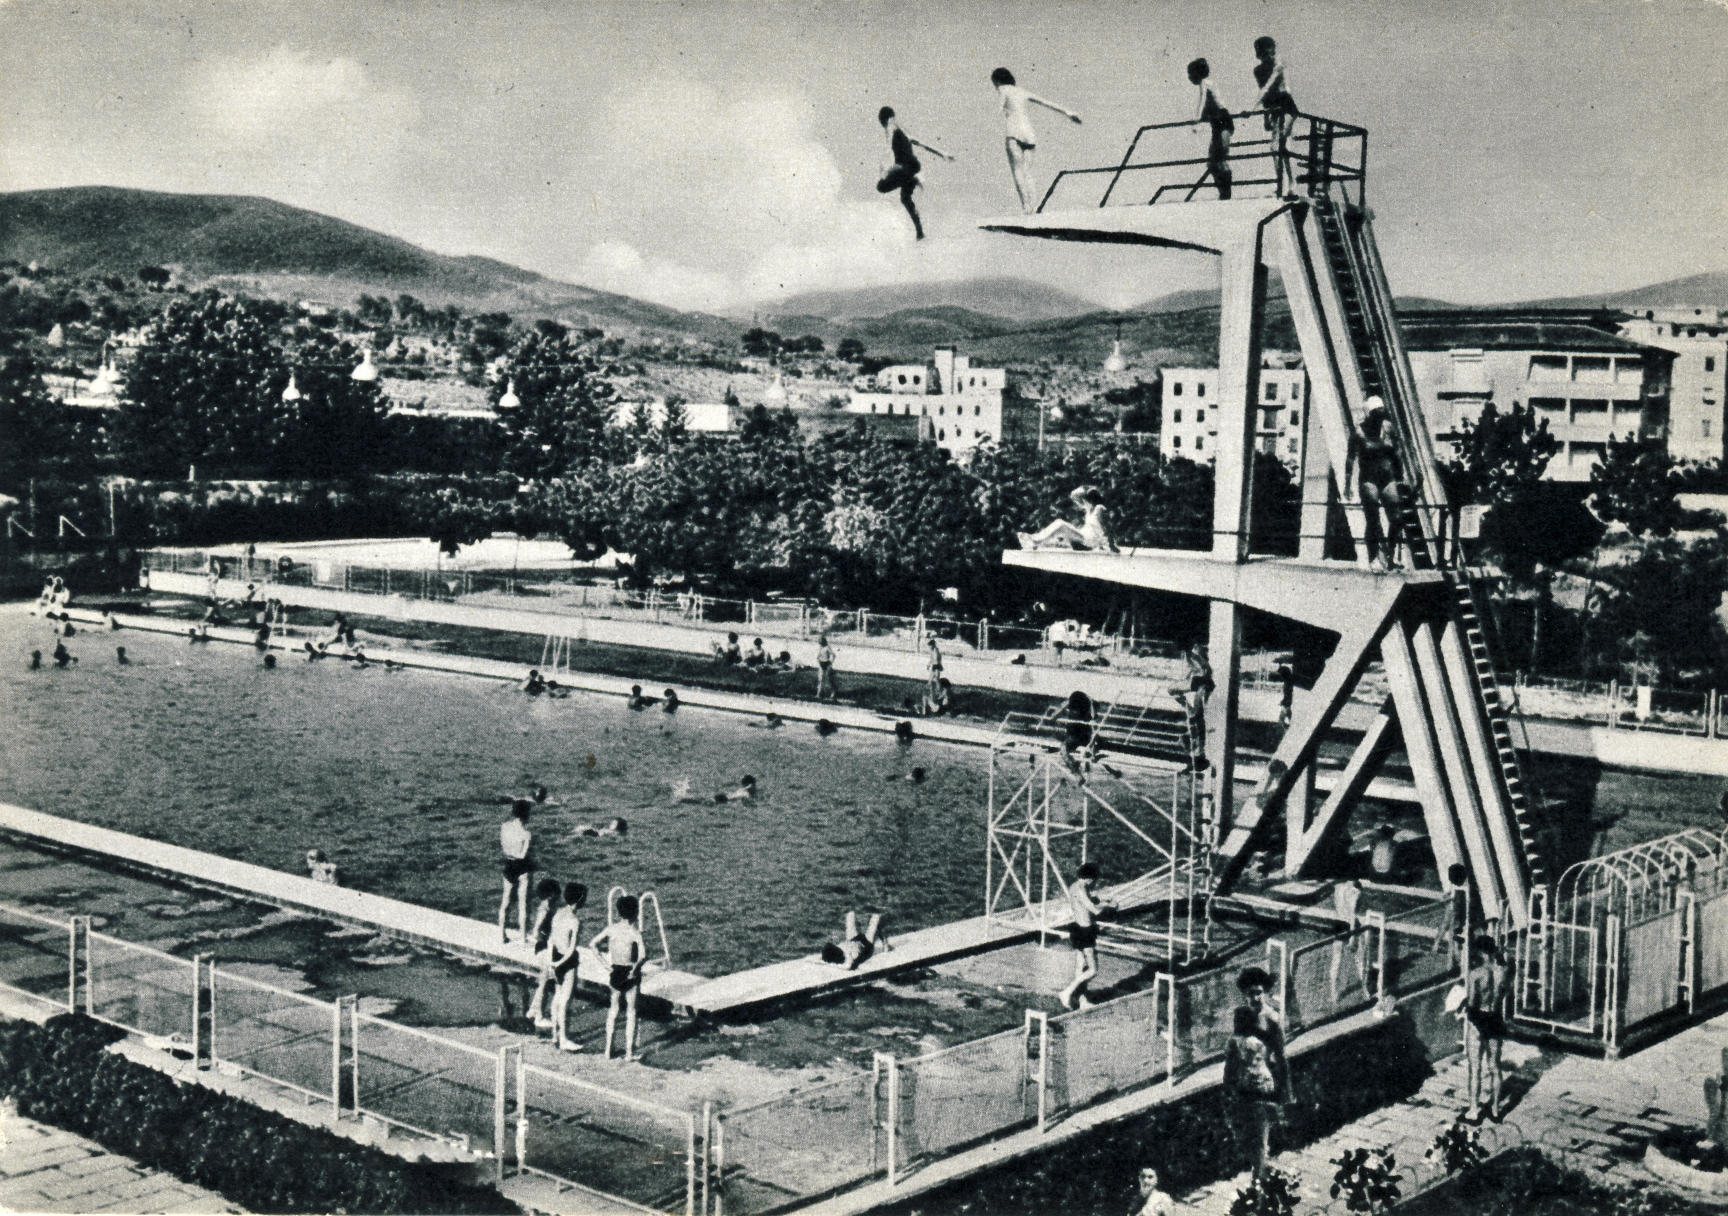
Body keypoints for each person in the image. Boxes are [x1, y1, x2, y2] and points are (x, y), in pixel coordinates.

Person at [991, 67, 1082, 214]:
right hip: (1029, 134)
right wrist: (1068, 112)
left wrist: (997, 113)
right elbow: (1046, 103)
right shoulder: (1022, 91)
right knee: (1027, 172)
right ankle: (1034, 206)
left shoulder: (1003, 89)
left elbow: (1000, 106)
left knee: (1017, 171)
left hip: (1014, 132)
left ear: (997, 80)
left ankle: (1026, 208)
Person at [876, 106, 952, 240]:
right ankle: (920, 233)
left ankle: (913, 179)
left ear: (884, 120)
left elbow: (888, 148)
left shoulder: (890, 127)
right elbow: (923, 144)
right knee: (905, 198)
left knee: (881, 186)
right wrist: (942, 154)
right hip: (914, 167)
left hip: (905, 169)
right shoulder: (905, 131)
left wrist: (884, 169)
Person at [1224, 1004, 1280, 1178]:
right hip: (1265, 1092)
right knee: (1262, 1135)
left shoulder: (1234, 1042)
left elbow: (1229, 1071)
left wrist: (1229, 1089)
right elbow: (1272, 1063)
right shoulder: (1261, 1041)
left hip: (1246, 1095)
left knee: (1252, 1137)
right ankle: (1261, 1168)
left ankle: (1259, 1173)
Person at [591, 895, 648, 1062]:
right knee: (631, 1011)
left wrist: (605, 965)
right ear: (635, 913)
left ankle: (608, 1050)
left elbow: (593, 944)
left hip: (615, 971)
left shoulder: (612, 929)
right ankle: (629, 1053)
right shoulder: (634, 932)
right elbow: (643, 955)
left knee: (613, 1010)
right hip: (630, 972)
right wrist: (635, 969)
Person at [1357, 403, 1410, 571]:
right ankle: (1373, 557)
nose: (1380, 417)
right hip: (1369, 479)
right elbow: (1353, 457)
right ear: (1369, 414)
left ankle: (1390, 554)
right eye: (1376, 413)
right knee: (1373, 519)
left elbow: (1397, 452)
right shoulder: (1360, 431)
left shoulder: (1388, 428)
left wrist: (1400, 476)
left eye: (1382, 413)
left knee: (1397, 518)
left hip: (1387, 478)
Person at [1463, 935, 1509, 1122]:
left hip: (1478, 1018)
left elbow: (1473, 1001)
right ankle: (1496, 1109)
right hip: (1495, 1017)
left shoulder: (1475, 974)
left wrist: (1463, 1005)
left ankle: (1474, 1110)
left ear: (1480, 952)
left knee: (1475, 1069)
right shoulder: (1503, 971)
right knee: (1495, 1066)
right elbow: (1505, 992)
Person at [1058, 862, 1115, 1009]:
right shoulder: (1081, 891)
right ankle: (1066, 992)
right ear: (1090, 879)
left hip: (1078, 929)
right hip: (1085, 931)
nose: (1094, 884)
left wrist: (1103, 900)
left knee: (1080, 967)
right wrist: (1110, 906)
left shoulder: (1076, 886)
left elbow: (1090, 901)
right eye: (1095, 880)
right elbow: (1095, 910)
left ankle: (1082, 1001)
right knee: (1093, 970)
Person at [1252, 37, 1300, 198]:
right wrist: (1266, 115)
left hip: (1286, 106)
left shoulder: (1278, 63)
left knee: (1277, 145)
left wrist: (1252, 108)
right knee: (1278, 147)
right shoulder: (1258, 71)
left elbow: (1278, 86)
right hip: (1274, 108)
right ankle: (1285, 183)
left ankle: (1289, 184)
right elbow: (1264, 91)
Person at [546, 883, 588, 1051]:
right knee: (565, 1000)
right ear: (579, 901)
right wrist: (560, 963)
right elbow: (571, 949)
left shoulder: (557, 914)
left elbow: (551, 940)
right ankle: (564, 1038)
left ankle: (554, 1035)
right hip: (567, 961)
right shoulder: (574, 921)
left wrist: (552, 962)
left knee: (557, 997)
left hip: (555, 956)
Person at [1189, 59, 1234, 200]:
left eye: (1190, 74)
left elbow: (1202, 101)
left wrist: (1196, 119)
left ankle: (1226, 193)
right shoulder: (1207, 84)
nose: (1189, 78)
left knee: (1220, 158)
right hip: (1217, 123)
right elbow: (1208, 106)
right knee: (1212, 161)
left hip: (1223, 121)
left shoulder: (1205, 83)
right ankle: (1223, 192)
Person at [1018, 486, 1114, 552]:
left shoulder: (1099, 508)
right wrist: (1087, 489)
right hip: (1085, 536)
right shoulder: (1089, 509)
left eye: (1085, 500)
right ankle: (1036, 539)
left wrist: (1111, 545)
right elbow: (1074, 495)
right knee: (1059, 530)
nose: (1083, 503)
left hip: (1090, 539)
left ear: (1091, 500)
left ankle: (1036, 541)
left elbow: (1108, 527)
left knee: (1061, 524)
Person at [526, 879, 565, 1027]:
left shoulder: (547, 907)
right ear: (551, 895)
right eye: (557, 893)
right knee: (544, 983)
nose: (559, 896)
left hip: (544, 948)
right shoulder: (545, 910)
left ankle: (532, 1010)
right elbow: (536, 931)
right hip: (544, 948)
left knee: (543, 980)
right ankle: (539, 1016)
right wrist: (546, 937)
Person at [499, 800, 536, 944]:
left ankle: (502, 935)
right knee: (523, 904)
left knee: (505, 901)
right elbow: (522, 855)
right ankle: (523, 938)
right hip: (522, 867)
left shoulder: (504, 827)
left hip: (508, 864)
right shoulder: (526, 834)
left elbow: (504, 849)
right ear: (525, 814)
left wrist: (511, 854)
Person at [821, 911, 891, 971]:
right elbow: (850, 965)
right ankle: (877, 915)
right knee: (873, 926)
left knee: (850, 918)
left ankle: (852, 908)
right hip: (866, 945)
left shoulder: (842, 952)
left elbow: (849, 965)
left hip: (854, 940)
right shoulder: (848, 956)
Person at [816, 634, 838, 702]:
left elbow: (833, 655)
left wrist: (831, 663)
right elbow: (818, 656)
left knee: (829, 679)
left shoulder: (827, 647)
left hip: (827, 663)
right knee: (821, 679)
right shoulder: (821, 648)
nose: (820, 644)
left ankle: (833, 693)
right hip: (822, 663)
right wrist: (818, 661)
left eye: (821, 643)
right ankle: (819, 694)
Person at [924, 635, 944, 712]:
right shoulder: (933, 651)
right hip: (935, 667)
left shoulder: (936, 651)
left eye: (930, 646)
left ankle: (937, 696)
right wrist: (929, 664)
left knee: (935, 681)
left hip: (936, 667)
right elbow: (931, 659)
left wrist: (934, 669)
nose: (929, 648)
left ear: (933, 645)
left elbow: (935, 660)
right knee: (931, 682)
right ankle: (933, 696)